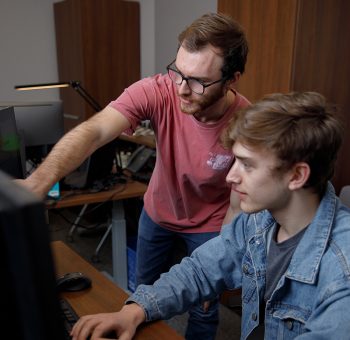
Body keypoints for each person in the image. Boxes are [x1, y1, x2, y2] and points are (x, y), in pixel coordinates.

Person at [19, 13, 250, 339]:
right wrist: (37, 182)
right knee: (139, 299)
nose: (182, 89)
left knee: (204, 308)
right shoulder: (157, 90)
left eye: (197, 81)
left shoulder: (245, 124)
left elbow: (238, 207)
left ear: (232, 79)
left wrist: (222, 259)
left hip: (211, 225)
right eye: (178, 73)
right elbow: (96, 130)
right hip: (158, 215)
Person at [70, 91, 350, 340]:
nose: (230, 176)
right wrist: (135, 309)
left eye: (247, 165)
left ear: (297, 175)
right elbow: (200, 270)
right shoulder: (260, 220)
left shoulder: (342, 270)